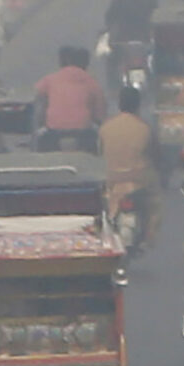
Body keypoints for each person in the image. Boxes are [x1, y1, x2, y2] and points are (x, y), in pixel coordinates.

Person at [98, 87, 157, 245]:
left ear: (120, 104)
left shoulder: (105, 128)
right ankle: (149, 236)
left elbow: (99, 154)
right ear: (138, 104)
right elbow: (154, 154)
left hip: (111, 180)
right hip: (137, 181)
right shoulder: (145, 128)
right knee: (155, 202)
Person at [35, 46, 107, 152]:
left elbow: (38, 98)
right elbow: (100, 112)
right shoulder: (91, 81)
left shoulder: (50, 79)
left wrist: (42, 121)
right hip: (83, 130)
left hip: (53, 129)